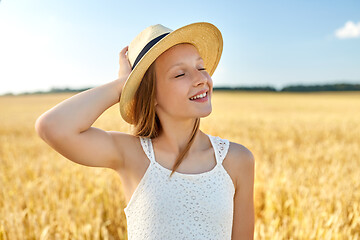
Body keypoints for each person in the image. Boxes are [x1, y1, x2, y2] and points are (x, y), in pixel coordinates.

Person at [35, 22, 255, 239]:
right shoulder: (132, 155)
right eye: (180, 74)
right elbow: (52, 126)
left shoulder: (237, 160)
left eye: (201, 68)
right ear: (151, 93)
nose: (201, 79)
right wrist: (123, 85)